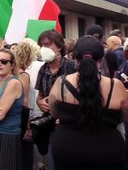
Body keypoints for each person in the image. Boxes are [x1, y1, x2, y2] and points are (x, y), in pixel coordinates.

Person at [49, 36, 128, 170]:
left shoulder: (61, 82)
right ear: (101, 59)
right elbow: (127, 116)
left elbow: (53, 111)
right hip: (107, 149)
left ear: (75, 59)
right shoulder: (114, 85)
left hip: (67, 147)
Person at [35, 30, 76, 169]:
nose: (44, 49)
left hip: (71, 124)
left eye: (47, 44)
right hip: (49, 123)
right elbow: (40, 95)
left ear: (59, 46)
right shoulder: (43, 69)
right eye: (42, 45)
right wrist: (40, 102)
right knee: (52, 161)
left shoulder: (72, 66)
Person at [13, 41, 35, 170]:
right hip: (21, 117)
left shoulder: (13, 72)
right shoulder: (23, 75)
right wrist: (28, 127)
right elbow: (25, 102)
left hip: (13, 116)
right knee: (25, 154)